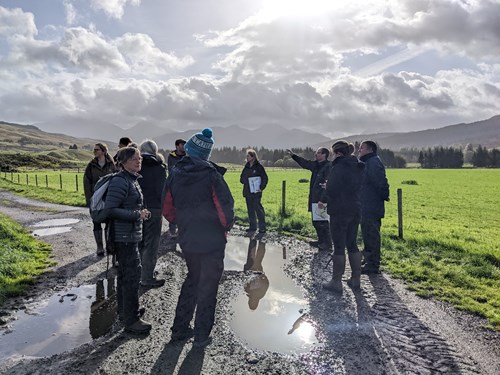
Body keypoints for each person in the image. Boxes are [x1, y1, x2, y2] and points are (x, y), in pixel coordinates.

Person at [162, 128, 234, 348]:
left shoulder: (174, 173)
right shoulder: (212, 175)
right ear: (206, 155)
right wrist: (225, 227)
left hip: (188, 238)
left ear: (189, 150)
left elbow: (167, 209)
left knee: (193, 279)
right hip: (212, 240)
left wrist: (183, 223)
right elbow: (225, 211)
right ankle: (202, 334)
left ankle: (179, 329)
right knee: (208, 285)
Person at [104, 147, 152, 334]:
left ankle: (126, 312)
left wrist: (141, 214)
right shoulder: (120, 181)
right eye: (134, 159)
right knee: (131, 276)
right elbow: (110, 210)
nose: (139, 161)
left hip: (130, 235)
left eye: (139, 158)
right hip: (123, 237)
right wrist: (136, 215)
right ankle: (131, 320)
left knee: (127, 275)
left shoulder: (131, 179)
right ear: (123, 162)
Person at [319, 140, 364, 293]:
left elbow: (332, 190)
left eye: (332, 153)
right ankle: (356, 279)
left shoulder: (338, 167)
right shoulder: (357, 165)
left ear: (337, 152)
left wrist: (327, 186)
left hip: (339, 210)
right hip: (356, 208)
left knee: (339, 246)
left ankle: (336, 281)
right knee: (352, 244)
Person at [286, 148, 332, 251]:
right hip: (314, 198)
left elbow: (328, 185)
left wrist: (323, 199)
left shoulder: (328, 167)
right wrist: (294, 156)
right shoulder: (316, 165)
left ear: (324, 154)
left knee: (323, 222)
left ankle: (328, 244)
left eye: (318, 153)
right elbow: (305, 163)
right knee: (315, 221)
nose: (316, 154)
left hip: (321, 199)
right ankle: (321, 241)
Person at [138, 139, 167, 288]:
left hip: (136, 209)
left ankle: (138, 274)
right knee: (151, 244)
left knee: (138, 242)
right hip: (154, 208)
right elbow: (162, 191)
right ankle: (147, 277)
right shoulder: (159, 167)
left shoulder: (135, 164)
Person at [358, 140, 390, 274]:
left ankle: (373, 264)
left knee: (372, 234)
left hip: (371, 205)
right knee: (367, 233)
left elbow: (380, 182)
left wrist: (383, 195)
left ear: (370, 149)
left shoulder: (373, 162)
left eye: (362, 148)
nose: (359, 150)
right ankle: (368, 259)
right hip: (366, 204)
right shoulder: (367, 162)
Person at [83, 143, 116, 256]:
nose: (95, 152)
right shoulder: (91, 165)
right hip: (95, 199)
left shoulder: (112, 165)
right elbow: (86, 183)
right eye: (94, 150)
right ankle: (99, 247)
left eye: (97, 150)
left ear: (103, 151)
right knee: (96, 222)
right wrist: (89, 200)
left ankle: (109, 246)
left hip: (108, 199)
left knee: (109, 223)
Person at [240, 149, 268, 240]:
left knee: (258, 209)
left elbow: (265, 178)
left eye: (248, 156)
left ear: (253, 157)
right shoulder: (246, 166)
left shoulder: (259, 167)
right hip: (248, 191)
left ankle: (262, 228)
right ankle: (253, 227)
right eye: (246, 156)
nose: (247, 158)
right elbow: (241, 178)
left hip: (256, 192)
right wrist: (245, 180)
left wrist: (261, 187)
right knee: (250, 210)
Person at [166, 139, 186, 237]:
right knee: (174, 207)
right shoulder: (171, 157)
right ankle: (172, 229)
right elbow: (171, 170)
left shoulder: (187, 156)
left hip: (186, 186)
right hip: (174, 185)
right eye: (182, 145)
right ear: (177, 146)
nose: (184, 146)